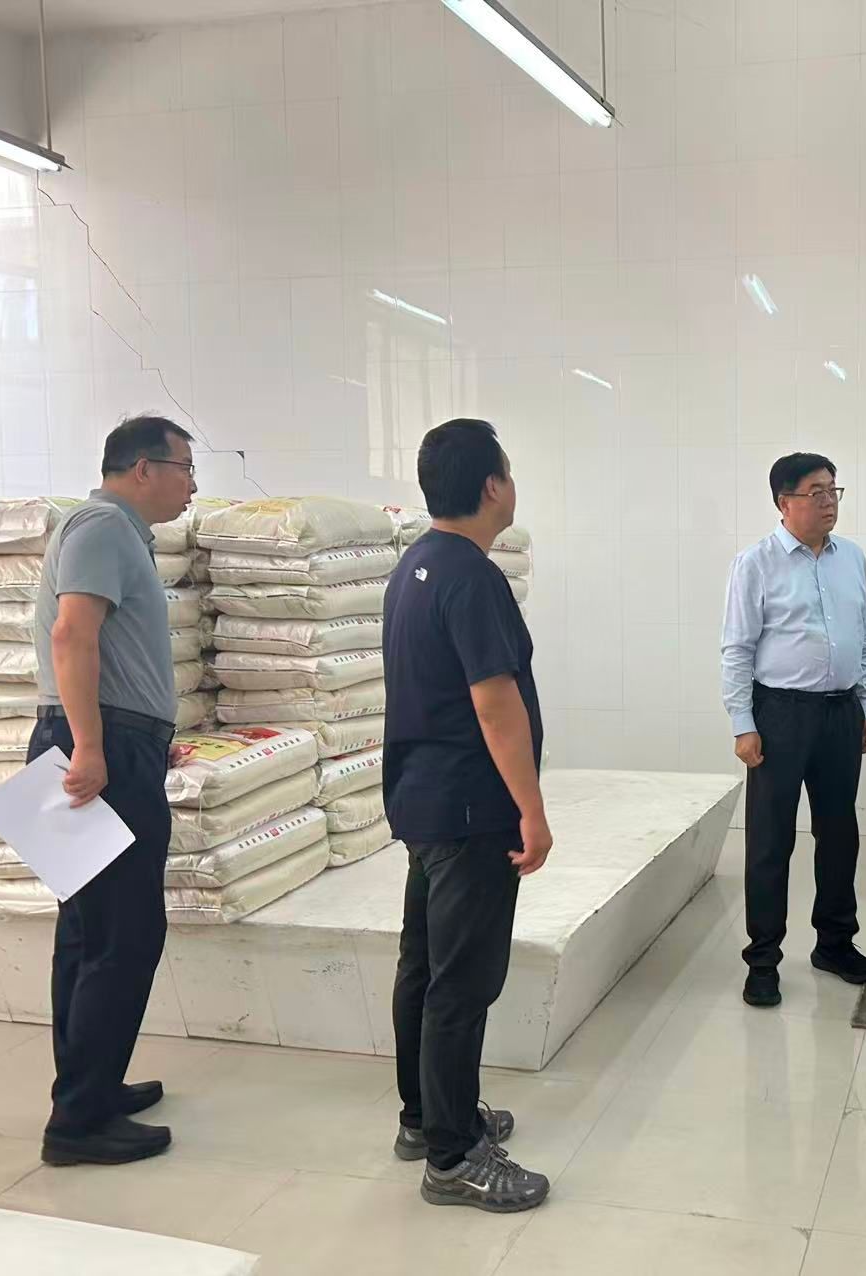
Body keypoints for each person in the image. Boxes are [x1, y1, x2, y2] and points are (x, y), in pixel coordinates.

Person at [383, 418, 552, 1214]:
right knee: (462, 984)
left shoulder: (415, 566)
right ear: (491, 486)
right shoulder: (472, 578)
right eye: (509, 473)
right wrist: (531, 809)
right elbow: (495, 704)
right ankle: (452, 1159)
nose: (513, 486)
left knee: (423, 967)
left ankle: (425, 1118)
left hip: (424, 800)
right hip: (472, 806)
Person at [30, 415, 196, 1166]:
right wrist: (95, 746)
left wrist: (147, 734)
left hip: (112, 742)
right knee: (122, 935)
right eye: (185, 469)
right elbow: (73, 635)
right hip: (96, 751)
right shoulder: (102, 526)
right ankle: (79, 1124)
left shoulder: (118, 533)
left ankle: (88, 1089)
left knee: (91, 931)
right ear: (142, 468)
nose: (191, 486)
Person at [721, 452, 866, 1009]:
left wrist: (864, 705)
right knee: (771, 841)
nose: (829, 500)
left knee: (839, 834)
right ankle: (763, 961)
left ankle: (835, 944)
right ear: (783, 502)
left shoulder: (851, 558)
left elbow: (863, 637)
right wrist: (743, 724)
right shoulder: (755, 563)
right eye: (816, 491)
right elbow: (737, 649)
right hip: (780, 716)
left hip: (840, 714)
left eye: (834, 489)